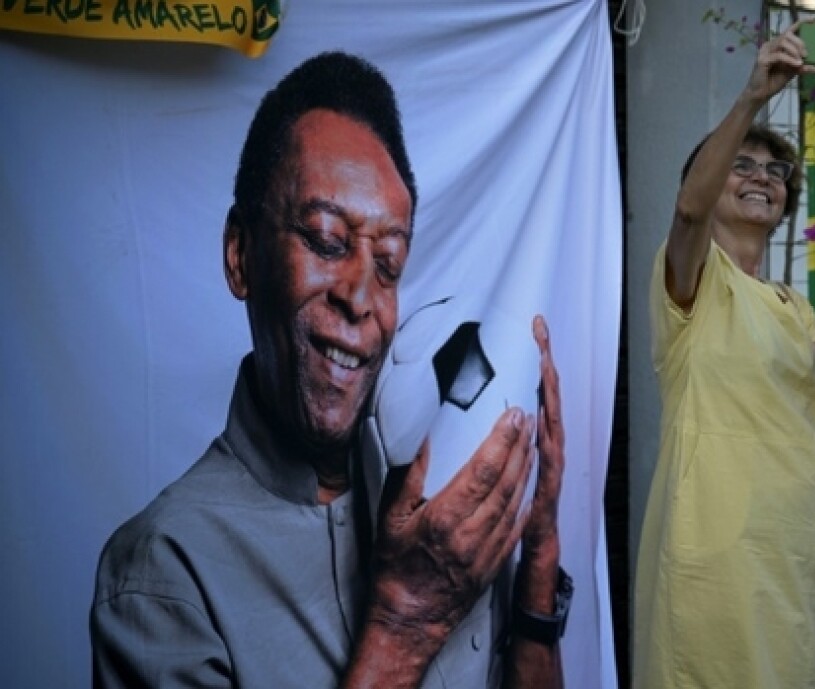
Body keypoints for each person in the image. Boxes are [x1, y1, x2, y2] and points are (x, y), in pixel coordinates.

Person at [90, 51, 567, 689]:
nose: (360, 295)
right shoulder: (161, 575)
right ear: (241, 255)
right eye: (324, 240)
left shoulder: (447, 509)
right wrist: (406, 623)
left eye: (389, 264)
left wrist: (537, 558)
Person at [633, 23, 815, 689]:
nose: (763, 178)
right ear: (708, 179)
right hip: (716, 562)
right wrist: (751, 96)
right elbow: (689, 212)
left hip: (792, 562)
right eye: (741, 165)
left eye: (776, 171)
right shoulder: (692, 275)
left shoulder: (790, 305)